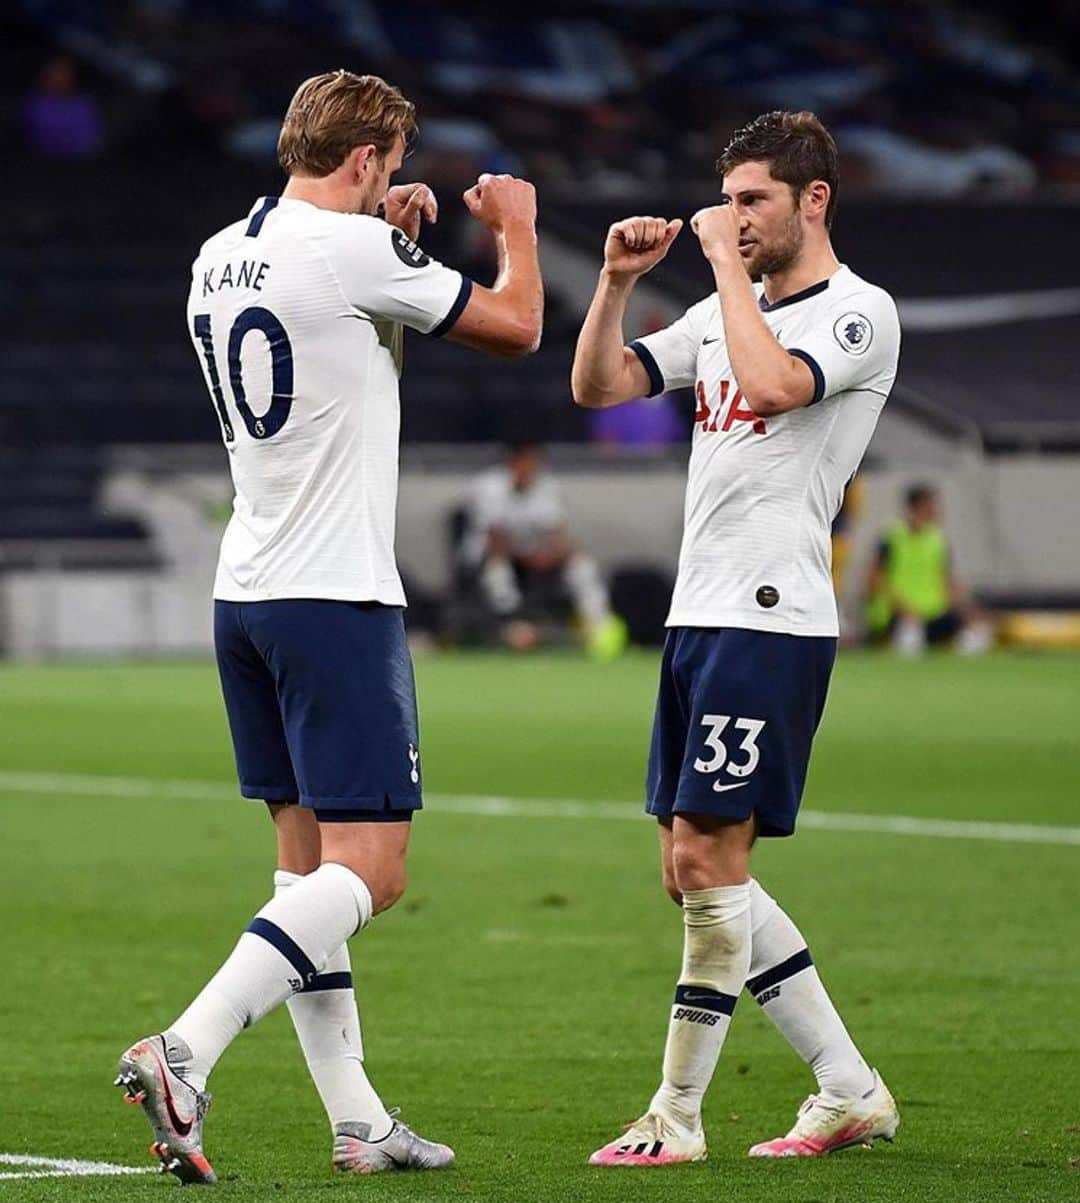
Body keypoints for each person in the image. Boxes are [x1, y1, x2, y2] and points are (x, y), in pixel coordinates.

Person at [114, 69, 542, 1183]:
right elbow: (516, 325)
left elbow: (341, 357)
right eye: (391, 167)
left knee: (303, 870)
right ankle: (185, 1049)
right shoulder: (355, 251)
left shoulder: (219, 253)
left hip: (246, 591)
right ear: (365, 161)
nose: (395, 183)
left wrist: (389, 248)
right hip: (335, 598)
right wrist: (517, 231)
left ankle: (357, 1119)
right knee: (374, 870)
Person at [571, 110, 902, 1165]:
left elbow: (773, 388)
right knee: (690, 867)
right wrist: (617, 284)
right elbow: (602, 384)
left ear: (816, 200)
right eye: (732, 199)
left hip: (772, 613)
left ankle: (675, 1115)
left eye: (755, 199)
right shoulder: (731, 310)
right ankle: (848, 1088)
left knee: (709, 857)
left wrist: (718, 269)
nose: (737, 218)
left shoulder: (859, 314)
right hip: (696, 612)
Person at [463, 443, 626, 656]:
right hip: (489, 557)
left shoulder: (546, 487)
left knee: (581, 564)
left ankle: (597, 623)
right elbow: (495, 541)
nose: (531, 468)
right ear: (514, 461)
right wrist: (530, 557)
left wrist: (558, 554)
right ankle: (511, 624)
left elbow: (557, 535)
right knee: (498, 570)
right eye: (526, 462)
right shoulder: (489, 486)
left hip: (536, 558)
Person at [866, 483, 992, 654]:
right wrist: (904, 608)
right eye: (930, 505)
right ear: (914, 506)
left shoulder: (937, 540)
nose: (935, 510)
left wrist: (968, 611)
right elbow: (874, 579)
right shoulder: (892, 536)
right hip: (896, 615)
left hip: (932, 614)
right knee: (908, 636)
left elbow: (948, 581)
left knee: (974, 632)